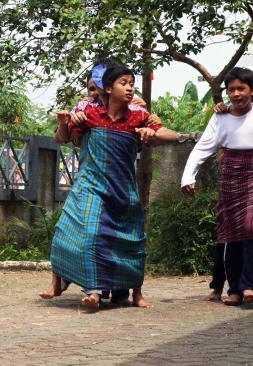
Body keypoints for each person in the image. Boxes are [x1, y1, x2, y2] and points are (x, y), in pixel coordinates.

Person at [45, 66, 178, 309]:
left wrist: (153, 133)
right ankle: (92, 291)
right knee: (84, 235)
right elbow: (62, 138)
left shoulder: (139, 115)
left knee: (131, 241)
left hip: (123, 189)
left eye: (131, 83)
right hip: (92, 186)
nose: (129, 87)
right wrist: (65, 122)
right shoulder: (89, 114)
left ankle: (135, 293)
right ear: (108, 88)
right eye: (123, 83)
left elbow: (173, 136)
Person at [182, 67, 253, 307]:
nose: (236, 94)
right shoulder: (220, 116)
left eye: (242, 88)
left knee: (251, 226)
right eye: (231, 90)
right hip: (229, 178)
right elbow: (203, 148)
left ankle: (252, 286)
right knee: (231, 235)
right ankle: (236, 290)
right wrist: (187, 176)